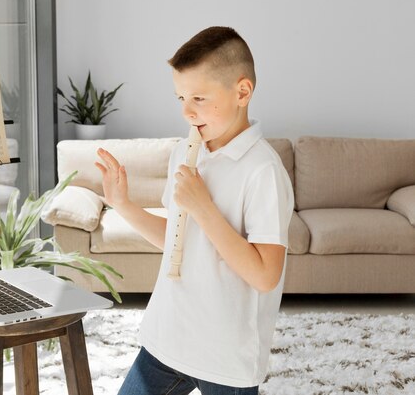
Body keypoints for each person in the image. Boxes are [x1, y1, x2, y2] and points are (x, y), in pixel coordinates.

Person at [95, 26, 294, 395]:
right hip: (167, 339)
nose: (187, 111)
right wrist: (122, 203)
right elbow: (176, 239)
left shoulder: (263, 171)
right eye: (180, 97)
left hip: (225, 356)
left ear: (242, 92)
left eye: (199, 98)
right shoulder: (184, 153)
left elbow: (266, 275)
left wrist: (204, 208)